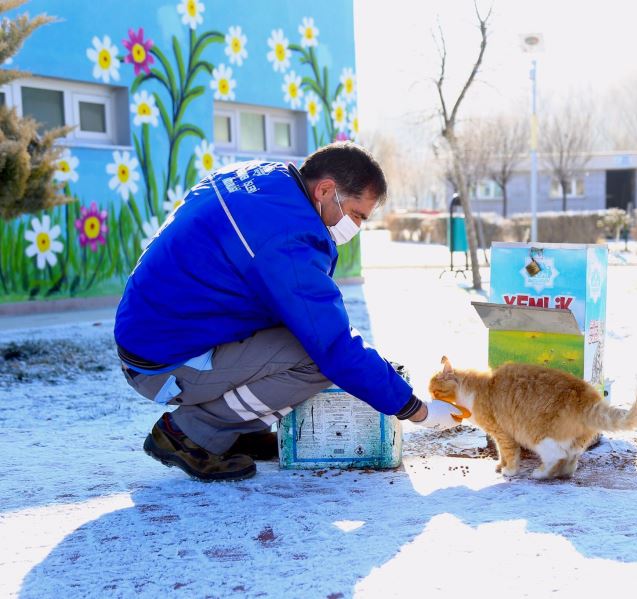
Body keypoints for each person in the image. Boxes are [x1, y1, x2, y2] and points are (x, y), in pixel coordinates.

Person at [115, 142, 461, 482]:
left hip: (152, 334)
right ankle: (190, 433)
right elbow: (334, 347)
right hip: (163, 365)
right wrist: (418, 410)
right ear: (326, 190)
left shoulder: (261, 177)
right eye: (357, 214)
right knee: (315, 361)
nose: (356, 227)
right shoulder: (287, 240)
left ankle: (237, 431)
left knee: (299, 334)